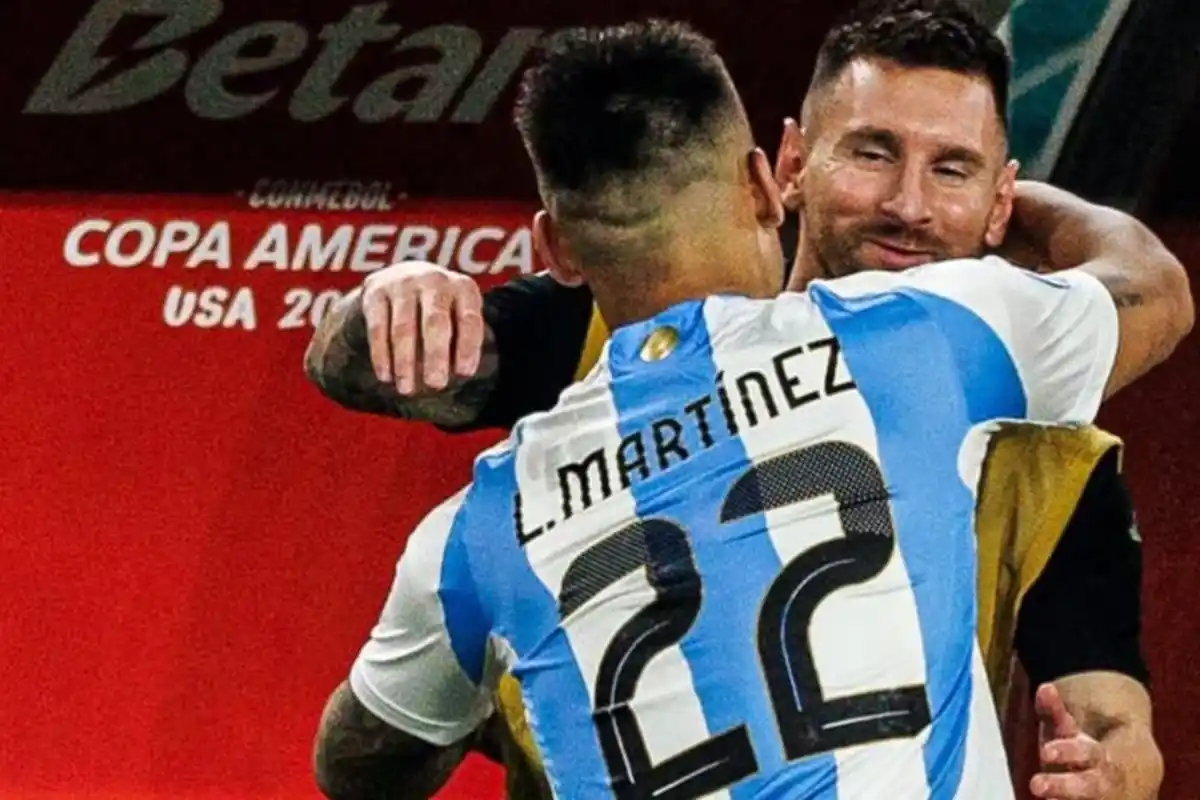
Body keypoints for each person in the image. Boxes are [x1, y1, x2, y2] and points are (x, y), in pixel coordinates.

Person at [306, 3, 1184, 799]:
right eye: (874, 154)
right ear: (786, 171)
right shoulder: (932, 340)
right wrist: (391, 294)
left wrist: (1119, 760)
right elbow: (369, 363)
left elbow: (1112, 712)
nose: (909, 206)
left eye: (953, 172)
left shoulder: (1040, 448)